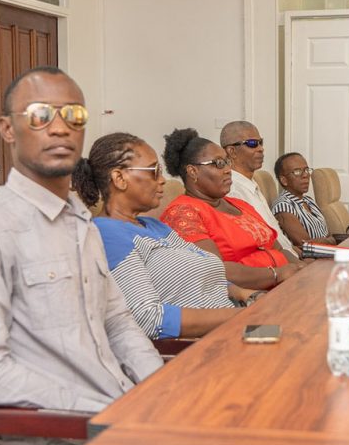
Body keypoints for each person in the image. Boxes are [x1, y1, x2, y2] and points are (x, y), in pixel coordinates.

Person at [0, 67, 163, 445]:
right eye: (40, 115)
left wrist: (159, 392)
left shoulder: (81, 221)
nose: (60, 128)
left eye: (74, 115)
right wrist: (106, 411)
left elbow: (118, 323)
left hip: (118, 424)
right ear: (8, 128)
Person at [72, 132, 262, 340]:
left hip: (234, 326)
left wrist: (246, 295)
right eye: (154, 171)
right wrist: (239, 316)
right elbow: (148, 319)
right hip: (199, 346)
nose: (162, 180)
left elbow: (202, 276)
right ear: (119, 178)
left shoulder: (154, 227)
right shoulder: (107, 233)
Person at [160, 128, 303, 290]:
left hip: (287, 285)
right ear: (193, 171)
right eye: (219, 164)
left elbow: (277, 247)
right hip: (250, 298)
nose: (228, 169)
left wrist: (302, 269)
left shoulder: (240, 204)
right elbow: (214, 271)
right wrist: (277, 274)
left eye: (227, 162)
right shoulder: (183, 212)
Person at [220, 120, 299, 258]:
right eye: (252, 144)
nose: (261, 149)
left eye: (261, 142)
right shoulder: (233, 192)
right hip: (278, 268)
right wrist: (299, 265)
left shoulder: (251, 184)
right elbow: (259, 246)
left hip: (290, 259)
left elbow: (277, 237)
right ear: (232, 151)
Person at [272, 152, 336, 246]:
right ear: (284, 180)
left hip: (327, 253)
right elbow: (306, 245)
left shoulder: (309, 200)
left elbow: (328, 234)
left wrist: (329, 240)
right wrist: (331, 241)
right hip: (310, 259)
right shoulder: (283, 206)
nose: (305, 175)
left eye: (306, 170)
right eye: (297, 172)